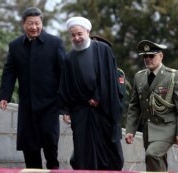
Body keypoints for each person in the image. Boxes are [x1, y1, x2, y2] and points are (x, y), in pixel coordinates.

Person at [0, 7, 65, 169]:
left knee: (51, 146)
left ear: (42, 23)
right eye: (30, 24)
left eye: (37, 23)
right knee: (29, 147)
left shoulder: (55, 43)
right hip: (27, 106)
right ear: (23, 24)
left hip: (50, 105)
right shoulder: (15, 46)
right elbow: (9, 72)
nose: (34, 27)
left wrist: (65, 106)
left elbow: (65, 75)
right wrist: (4, 95)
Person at [59, 16, 124, 170]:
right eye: (73, 35)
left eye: (79, 34)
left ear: (87, 31)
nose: (76, 38)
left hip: (103, 110)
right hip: (81, 112)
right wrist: (66, 110)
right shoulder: (69, 58)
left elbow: (110, 79)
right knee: (83, 152)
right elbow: (65, 86)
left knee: (110, 152)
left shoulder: (103, 50)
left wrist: (98, 97)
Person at [125, 40, 178, 172]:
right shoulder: (139, 77)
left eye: (152, 56)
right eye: (145, 56)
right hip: (148, 129)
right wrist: (130, 130)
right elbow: (134, 107)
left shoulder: (174, 76)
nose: (148, 59)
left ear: (161, 56)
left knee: (152, 154)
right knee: (158, 160)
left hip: (167, 127)